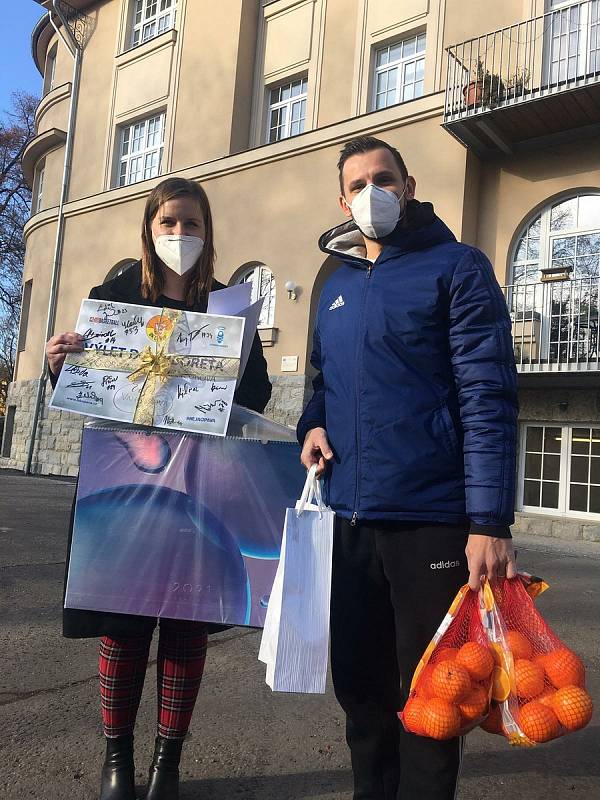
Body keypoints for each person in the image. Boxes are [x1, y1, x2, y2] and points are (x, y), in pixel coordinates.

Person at [297, 136, 518, 800]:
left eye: (384, 179)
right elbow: (321, 383)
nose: (372, 194)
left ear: (410, 186)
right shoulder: (334, 284)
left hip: (431, 521)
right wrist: (310, 424)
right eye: (358, 184)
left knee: (433, 700)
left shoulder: (458, 267)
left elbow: (487, 395)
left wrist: (488, 521)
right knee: (362, 693)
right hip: (348, 519)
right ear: (343, 200)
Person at [46, 177, 271, 800]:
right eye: (169, 223)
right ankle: (116, 760)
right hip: (124, 477)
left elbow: (255, 396)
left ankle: (166, 767)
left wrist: (227, 374)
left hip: (200, 483)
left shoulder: (230, 308)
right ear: (149, 229)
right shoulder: (115, 296)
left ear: (208, 232)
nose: (180, 235)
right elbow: (81, 385)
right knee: (123, 621)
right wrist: (61, 359)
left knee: (185, 624)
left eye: (192, 225)